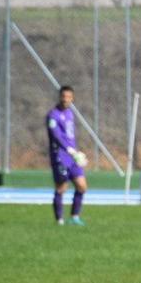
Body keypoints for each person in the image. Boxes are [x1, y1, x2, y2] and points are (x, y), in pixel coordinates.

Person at [47, 85, 88, 225]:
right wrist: (68, 149)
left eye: (69, 97)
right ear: (60, 97)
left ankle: (74, 217)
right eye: (64, 96)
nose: (66, 99)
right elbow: (56, 135)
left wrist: (75, 151)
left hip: (73, 156)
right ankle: (59, 220)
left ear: (72, 98)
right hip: (60, 156)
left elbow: (70, 136)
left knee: (82, 186)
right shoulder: (53, 115)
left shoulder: (70, 113)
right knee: (61, 187)